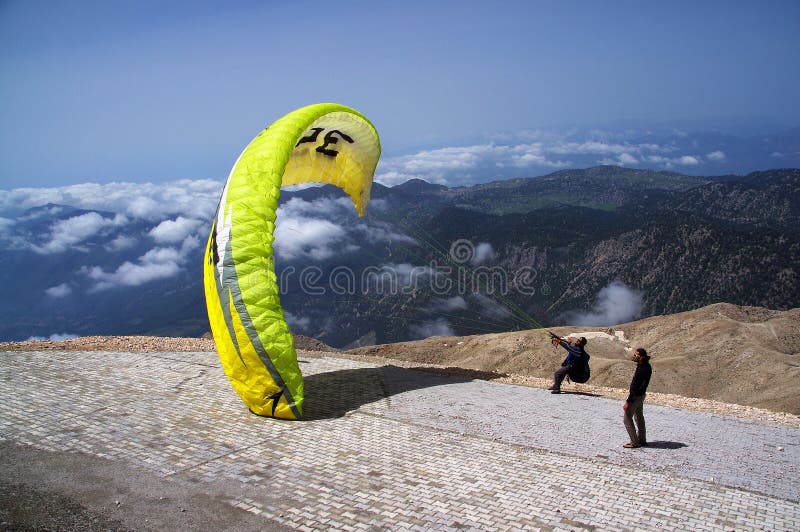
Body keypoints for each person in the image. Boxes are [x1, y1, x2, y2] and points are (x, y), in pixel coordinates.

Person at [623, 347, 652, 448]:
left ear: (641, 357)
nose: (634, 356)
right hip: (642, 395)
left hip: (636, 396)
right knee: (639, 417)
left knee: (627, 418)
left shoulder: (641, 369)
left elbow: (635, 386)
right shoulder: (647, 367)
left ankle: (634, 442)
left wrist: (628, 401)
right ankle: (642, 439)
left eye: (636, 355)